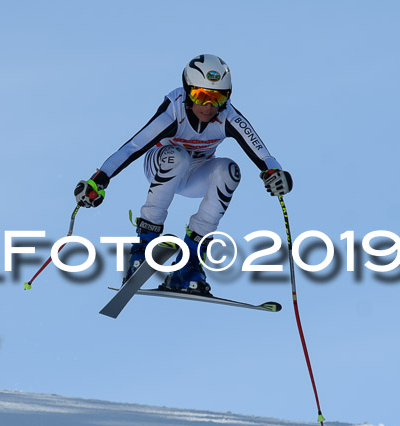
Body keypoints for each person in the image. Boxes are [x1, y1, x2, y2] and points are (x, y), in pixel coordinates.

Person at [74, 54, 293, 296]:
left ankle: (189, 263)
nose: (209, 106)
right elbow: (133, 147)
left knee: (229, 170)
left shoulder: (228, 115)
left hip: (196, 174)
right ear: (188, 92)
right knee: (177, 157)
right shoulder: (174, 109)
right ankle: (144, 244)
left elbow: (260, 151)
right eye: (201, 96)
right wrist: (100, 179)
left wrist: (274, 172)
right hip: (162, 165)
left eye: (218, 97)